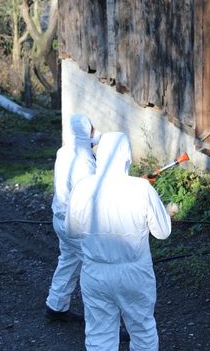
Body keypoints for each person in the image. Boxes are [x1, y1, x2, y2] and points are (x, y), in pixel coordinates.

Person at [66, 132, 172, 350]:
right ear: (128, 157)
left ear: (100, 156)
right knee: (142, 330)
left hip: (95, 273)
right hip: (135, 274)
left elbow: (72, 230)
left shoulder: (83, 187)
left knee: (99, 335)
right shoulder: (142, 188)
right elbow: (162, 232)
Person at [45, 114, 98, 322]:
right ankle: (99, 320)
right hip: (78, 225)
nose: (95, 135)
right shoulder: (84, 161)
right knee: (95, 269)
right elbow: (92, 195)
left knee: (69, 259)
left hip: (60, 219)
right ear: (86, 133)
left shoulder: (64, 151)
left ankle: (55, 305)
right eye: (92, 131)